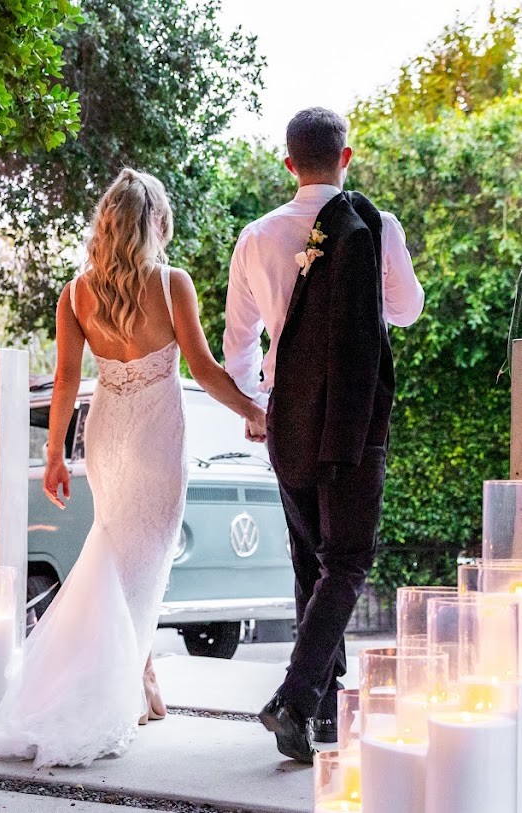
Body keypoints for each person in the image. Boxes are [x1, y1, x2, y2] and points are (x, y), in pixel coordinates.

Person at [0, 167, 265, 768]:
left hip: (105, 437)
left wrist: (56, 451)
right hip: (156, 438)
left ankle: (142, 682)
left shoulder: (76, 292)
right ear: (153, 223)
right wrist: (252, 410)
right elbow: (204, 369)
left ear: (106, 226)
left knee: (117, 557)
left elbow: (65, 378)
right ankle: (123, 688)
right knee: (144, 561)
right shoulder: (172, 285)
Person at [223, 107, 424, 763]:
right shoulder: (377, 224)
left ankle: (320, 719)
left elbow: (238, 349)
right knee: (347, 560)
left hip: (289, 419)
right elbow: (405, 311)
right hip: (351, 418)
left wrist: (259, 405)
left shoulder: (256, 235)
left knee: (312, 563)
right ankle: (296, 699)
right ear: (346, 158)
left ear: (288, 162)